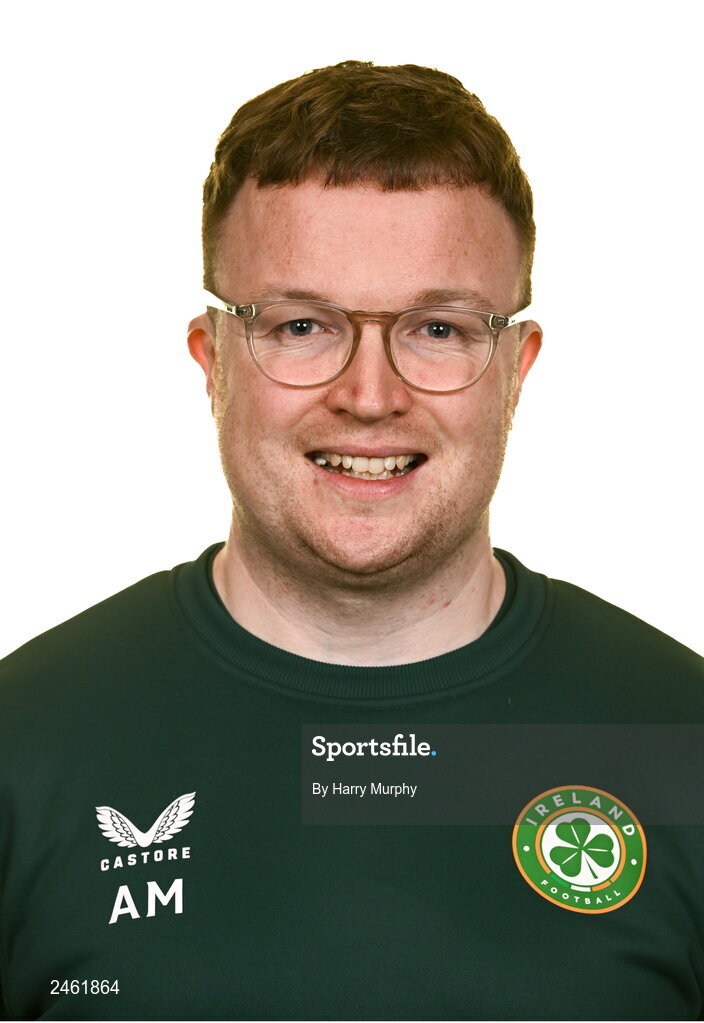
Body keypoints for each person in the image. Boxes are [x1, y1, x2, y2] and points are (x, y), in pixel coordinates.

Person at [0, 60, 701, 1022]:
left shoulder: (681, 741)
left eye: (439, 330)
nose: (370, 395)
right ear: (213, 361)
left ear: (515, 368)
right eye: (300, 324)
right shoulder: (24, 744)